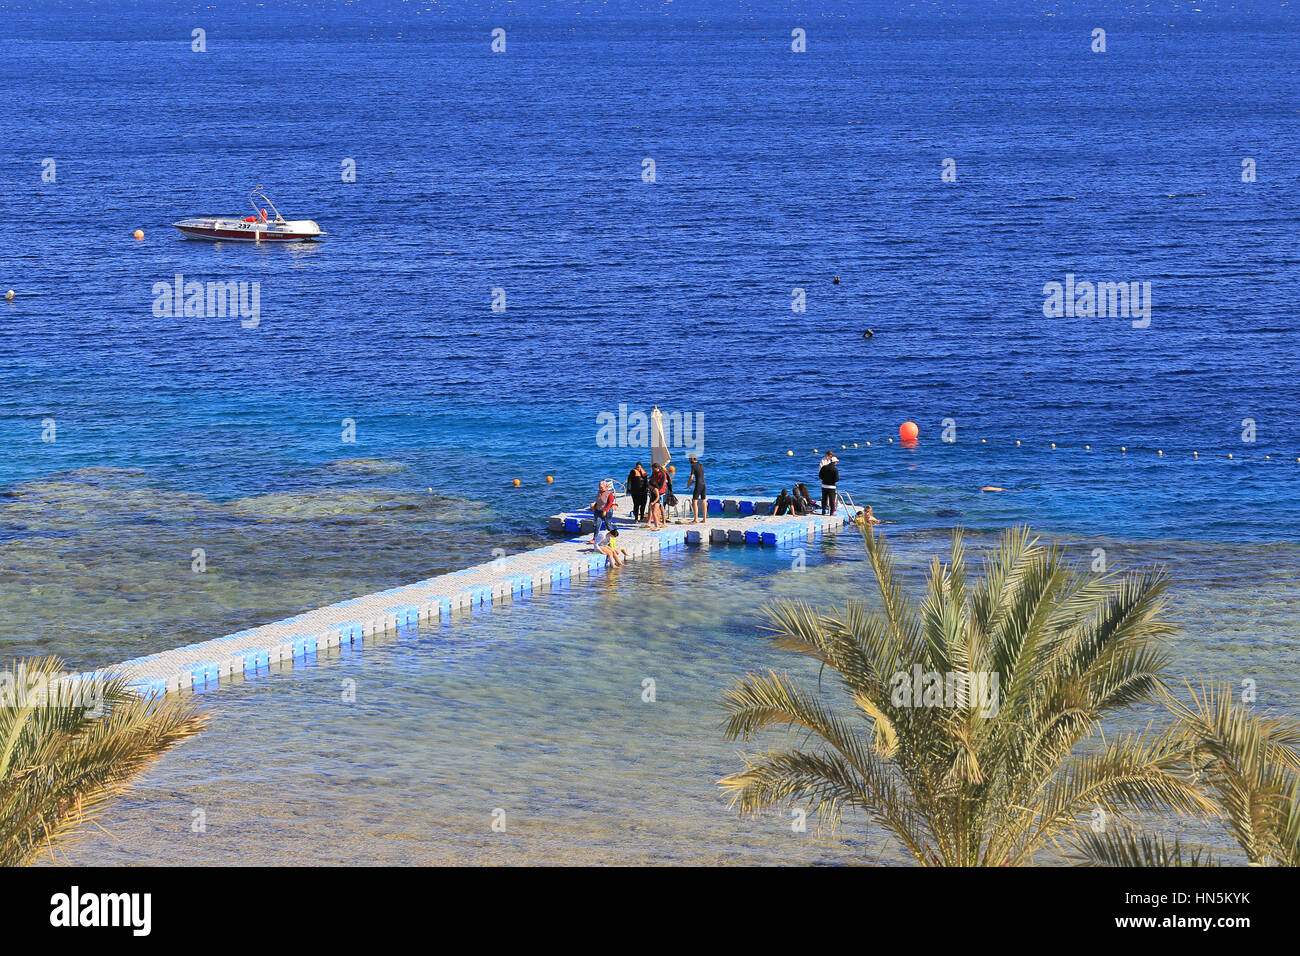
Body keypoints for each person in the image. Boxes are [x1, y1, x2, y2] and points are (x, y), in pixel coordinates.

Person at [590, 479, 617, 543]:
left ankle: (614, 534)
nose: (600, 488)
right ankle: (595, 538)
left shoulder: (609, 493)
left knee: (608, 524)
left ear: (606, 487)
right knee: (597, 524)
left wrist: (606, 510)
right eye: (599, 487)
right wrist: (594, 506)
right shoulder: (599, 492)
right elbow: (598, 501)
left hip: (607, 511)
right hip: (598, 510)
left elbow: (610, 502)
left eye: (601, 487)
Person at [686, 455, 707, 523]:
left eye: (689, 459)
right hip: (704, 484)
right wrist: (693, 482)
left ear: (692, 458)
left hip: (698, 485)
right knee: (703, 501)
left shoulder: (693, 466)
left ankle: (695, 519)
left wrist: (688, 484)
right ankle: (704, 519)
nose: (689, 460)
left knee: (694, 501)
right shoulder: (701, 465)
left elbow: (691, 477)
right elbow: (700, 477)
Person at [647, 464, 667, 529]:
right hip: (653, 491)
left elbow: (662, 484)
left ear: (657, 468)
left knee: (661, 508)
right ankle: (649, 522)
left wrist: (657, 490)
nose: (652, 470)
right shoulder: (654, 473)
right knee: (650, 507)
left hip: (660, 492)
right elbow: (651, 480)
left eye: (653, 468)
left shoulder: (662, 474)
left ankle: (664, 522)